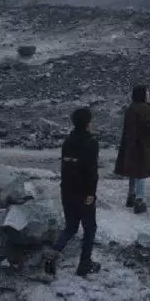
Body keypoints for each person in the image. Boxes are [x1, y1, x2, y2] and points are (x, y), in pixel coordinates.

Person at [44, 107, 100, 277]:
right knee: (90, 229)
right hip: (83, 193)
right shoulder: (92, 142)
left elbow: (67, 167)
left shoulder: (67, 141)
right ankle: (84, 264)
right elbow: (91, 171)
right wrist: (91, 193)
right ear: (87, 123)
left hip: (67, 190)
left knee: (70, 227)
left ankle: (52, 256)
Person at [114, 85, 150, 214]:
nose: (149, 95)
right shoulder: (145, 109)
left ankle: (130, 195)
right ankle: (139, 199)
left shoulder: (130, 108)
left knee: (133, 170)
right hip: (141, 144)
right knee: (141, 172)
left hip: (130, 144)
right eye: (147, 93)